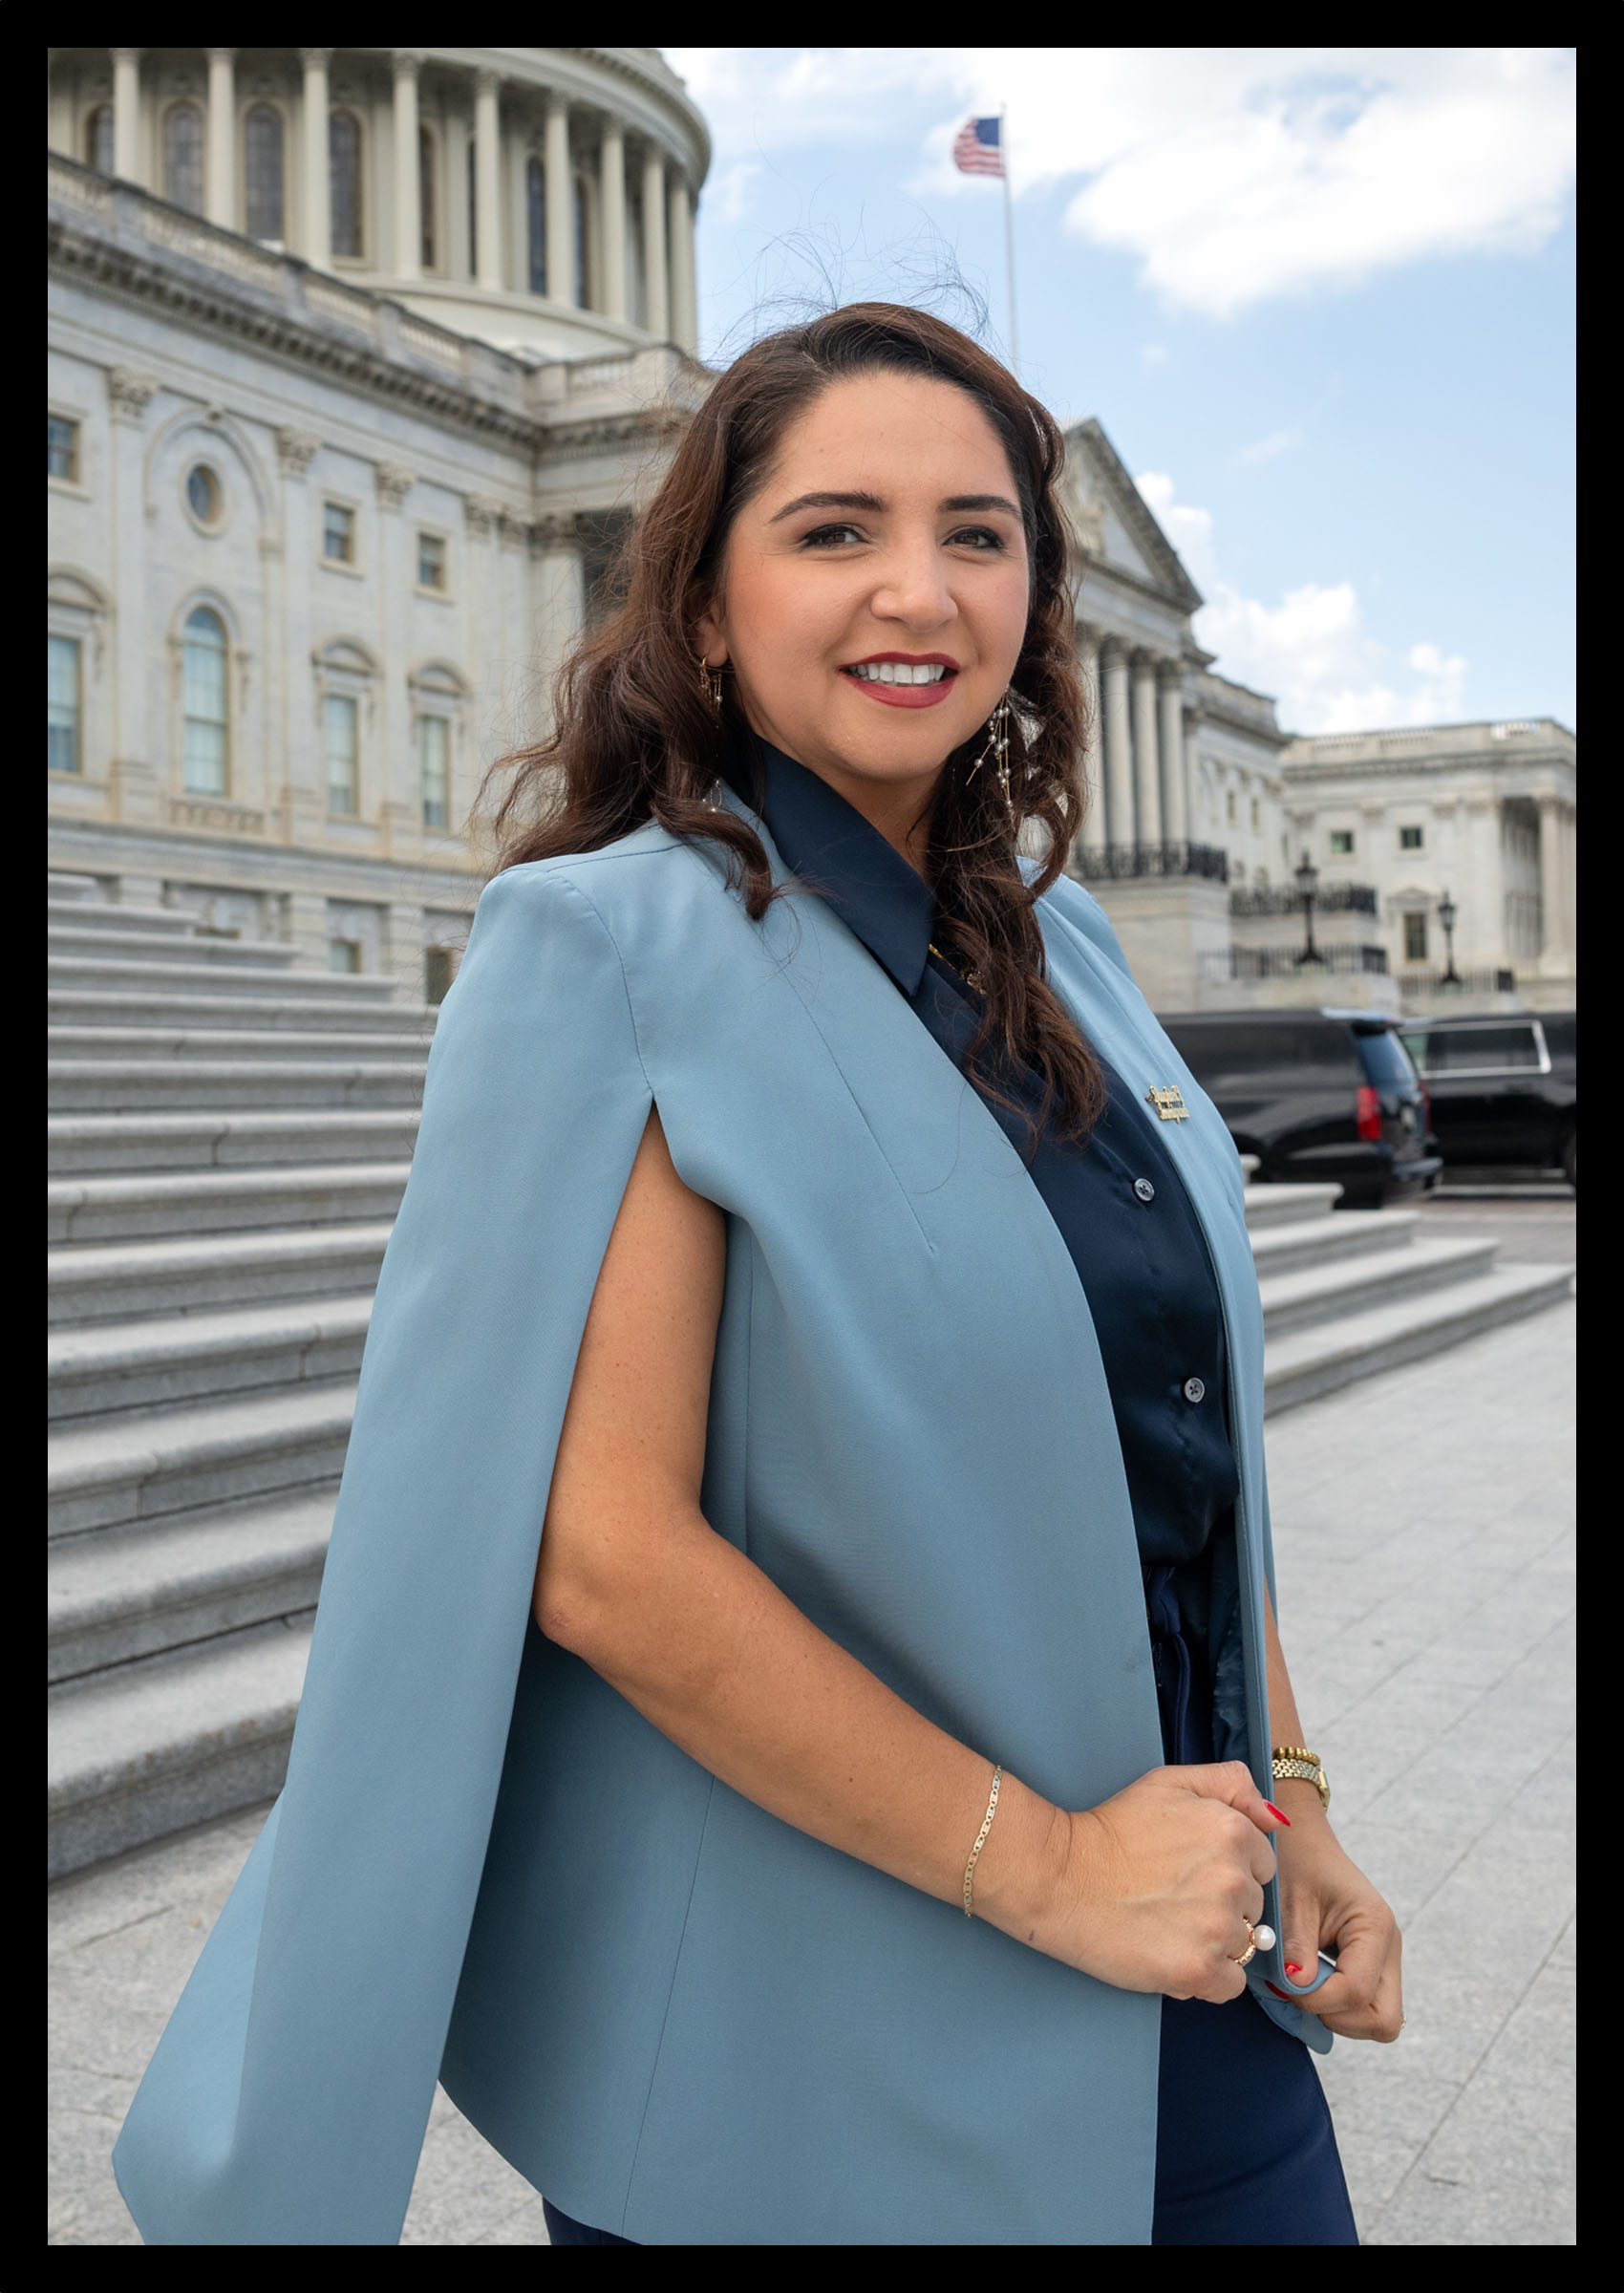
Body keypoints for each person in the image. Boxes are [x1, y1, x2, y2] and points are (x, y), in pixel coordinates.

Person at [111, 304, 1402, 2248]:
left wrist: (1286, 1795)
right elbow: (607, 1557)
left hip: (1177, 1958)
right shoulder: (606, 947)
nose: (918, 588)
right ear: (704, 606)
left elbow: (1179, 1447)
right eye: (833, 529)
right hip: (802, 2031)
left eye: (978, 532)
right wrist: (1047, 1866)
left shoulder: (1072, 958)